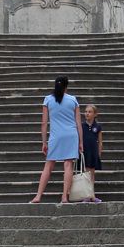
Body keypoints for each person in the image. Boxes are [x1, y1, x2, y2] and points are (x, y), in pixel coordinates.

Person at [30, 76, 83, 204]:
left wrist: (43, 142)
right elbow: (78, 123)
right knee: (68, 164)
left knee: (48, 165)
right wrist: (81, 142)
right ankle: (65, 196)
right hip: (71, 135)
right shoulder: (73, 100)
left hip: (55, 136)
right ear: (66, 86)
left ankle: (38, 196)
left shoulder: (48, 100)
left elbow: (44, 123)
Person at [81, 104, 103, 203]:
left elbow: (100, 142)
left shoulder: (97, 127)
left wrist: (99, 153)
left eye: (89, 112)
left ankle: (92, 196)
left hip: (93, 153)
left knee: (92, 174)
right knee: (86, 173)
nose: (87, 113)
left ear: (95, 114)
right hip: (85, 152)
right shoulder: (81, 126)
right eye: (86, 111)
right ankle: (87, 195)